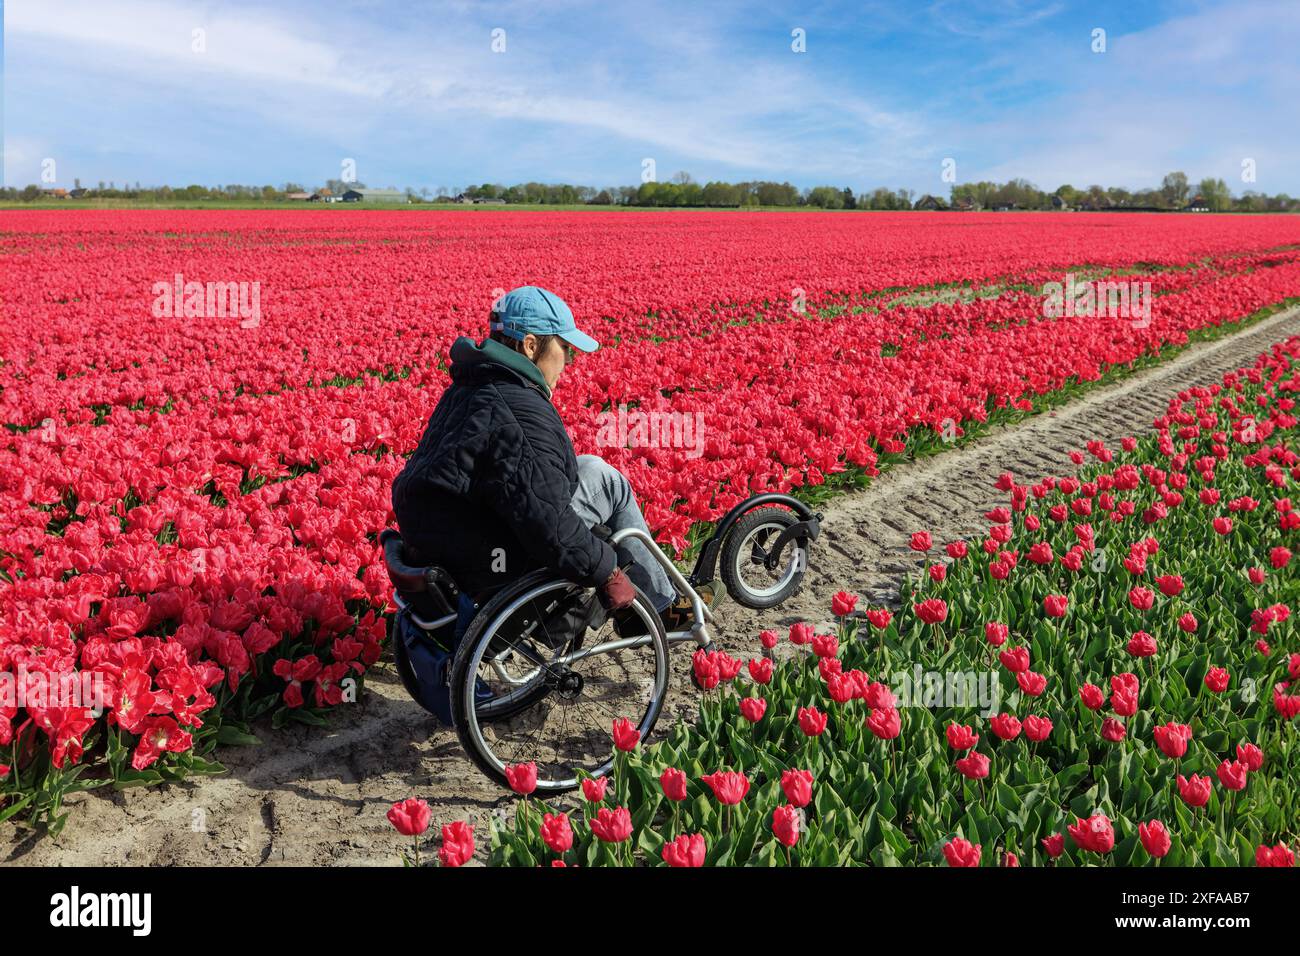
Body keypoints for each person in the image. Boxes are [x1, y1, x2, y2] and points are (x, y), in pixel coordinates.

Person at [391, 285, 685, 644]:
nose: (568, 362)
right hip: (493, 570)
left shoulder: (470, 389)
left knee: (593, 468)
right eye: (564, 348)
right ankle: (665, 608)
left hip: (453, 557)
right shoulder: (519, 411)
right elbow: (549, 525)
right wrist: (608, 571)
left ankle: (659, 601)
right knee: (611, 485)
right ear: (531, 346)